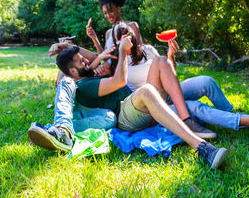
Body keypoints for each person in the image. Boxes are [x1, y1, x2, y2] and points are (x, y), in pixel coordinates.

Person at [53, 36, 229, 169]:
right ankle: (201, 148)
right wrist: (122, 50)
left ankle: (187, 117)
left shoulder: (86, 74)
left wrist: (67, 47)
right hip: (125, 117)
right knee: (145, 91)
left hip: (138, 108)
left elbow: (91, 57)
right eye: (81, 62)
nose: (87, 61)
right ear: (72, 71)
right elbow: (119, 81)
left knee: (160, 61)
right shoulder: (83, 86)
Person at [107, 22, 249, 133]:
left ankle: (229, 114)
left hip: (169, 92)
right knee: (196, 107)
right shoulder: (119, 62)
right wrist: (121, 51)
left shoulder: (148, 50)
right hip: (154, 107)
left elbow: (169, 72)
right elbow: (119, 81)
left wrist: (170, 56)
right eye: (119, 35)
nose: (124, 36)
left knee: (207, 81)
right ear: (116, 42)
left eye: (126, 32)